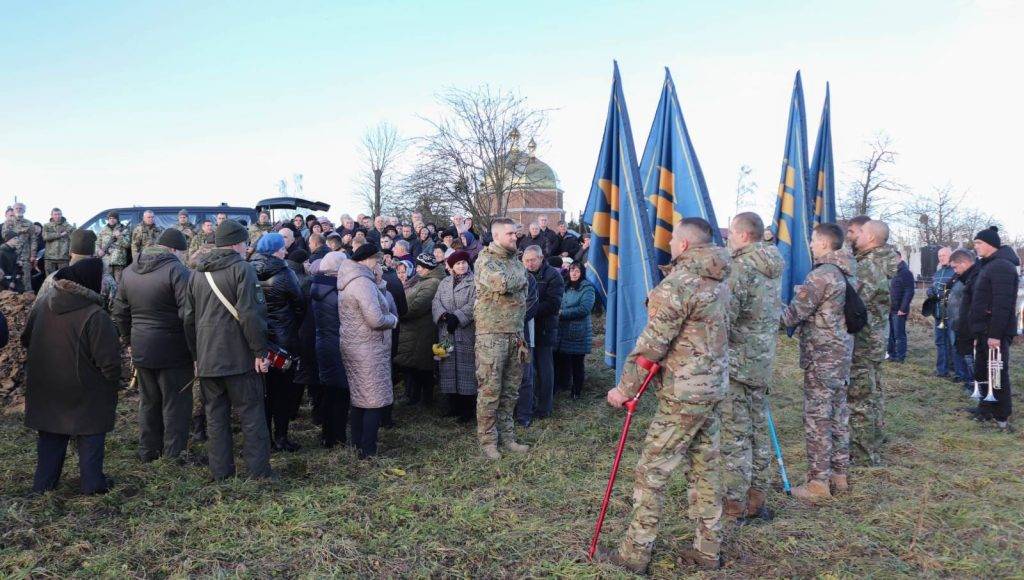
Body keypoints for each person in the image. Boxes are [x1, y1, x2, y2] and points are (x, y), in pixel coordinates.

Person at [598, 217, 729, 573]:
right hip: (713, 387)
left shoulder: (680, 284)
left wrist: (624, 389)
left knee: (651, 471)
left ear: (685, 245)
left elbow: (651, 347)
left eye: (673, 240)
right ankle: (708, 548)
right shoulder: (721, 281)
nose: (669, 245)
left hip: (684, 394)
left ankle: (634, 553)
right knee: (705, 469)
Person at [183, 219, 276, 481]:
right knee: (251, 415)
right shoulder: (242, 270)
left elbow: (188, 319)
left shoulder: (196, 273)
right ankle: (259, 474)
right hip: (240, 358)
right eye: (245, 242)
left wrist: (196, 356)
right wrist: (260, 352)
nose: (247, 247)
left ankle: (221, 473)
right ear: (236, 243)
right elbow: (251, 315)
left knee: (215, 417)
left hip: (208, 358)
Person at [23, 258, 121, 494]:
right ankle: (93, 485)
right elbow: (109, 363)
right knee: (90, 437)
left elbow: (25, 339)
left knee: (50, 437)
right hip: (85, 392)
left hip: (46, 388)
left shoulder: (44, 302)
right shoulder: (96, 315)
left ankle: (44, 486)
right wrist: (113, 382)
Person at [780, 223, 855, 501]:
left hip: (822, 356)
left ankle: (818, 484)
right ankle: (839, 475)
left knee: (817, 419)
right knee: (838, 414)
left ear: (824, 243)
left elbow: (792, 315)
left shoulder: (822, 275)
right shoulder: (848, 272)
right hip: (841, 354)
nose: (810, 244)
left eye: (813, 240)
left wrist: (769, 305)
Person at [720, 213, 783, 521]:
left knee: (735, 435)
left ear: (743, 235)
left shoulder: (740, 268)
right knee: (759, 431)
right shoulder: (773, 265)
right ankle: (758, 498)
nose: (728, 238)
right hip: (761, 361)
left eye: (731, 232)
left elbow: (726, 316)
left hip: (736, 364)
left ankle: (734, 505)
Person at [112, 229, 194, 462]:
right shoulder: (177, 270)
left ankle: (148, 451)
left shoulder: (128, 271)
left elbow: (119, 311)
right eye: (182, 252)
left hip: (141, 346)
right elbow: (188, 314)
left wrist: (128, 340)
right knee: (175, 402)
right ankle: (174, 454)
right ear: (174, 250)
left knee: (148, 401)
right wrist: (194, 348)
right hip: (174, 349)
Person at [474, 218, 531, 460]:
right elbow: (502, 284)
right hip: (491, 336)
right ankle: (488, 440)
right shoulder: (485, 260)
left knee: (510, 391)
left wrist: (518, 282)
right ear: (496, 236)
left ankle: (507, 437)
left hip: (515, 334)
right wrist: (521, 279)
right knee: (490, 390)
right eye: (509, 234)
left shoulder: (515, 261)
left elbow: (523, 290)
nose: (514, 237)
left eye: (515, 234)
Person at [845, 219, 899, 468]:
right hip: (875, 339)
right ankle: (874, 441)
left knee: (861, 398)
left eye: (861, 232)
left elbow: (854, 303)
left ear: (872, 238)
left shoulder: (868, 267)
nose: (856, 235)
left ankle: (864, 455)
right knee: (873, 394)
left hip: (864, 341)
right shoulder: (879, 261)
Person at [337, 243, 399, 458]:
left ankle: (357, 444)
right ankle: (368, 450)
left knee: (360, 397)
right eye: (376, 260)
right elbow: (376, 318)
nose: (378, 264)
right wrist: (393, 320)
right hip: (368, 348)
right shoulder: (362, 283)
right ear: (366, 260)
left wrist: (379, 282)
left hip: (355, 345)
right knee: (373, 400)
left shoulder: (350, 280)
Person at [251, 233, 305, 452]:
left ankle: (264, 439)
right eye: (283, 248)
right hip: (283, 340)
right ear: (275, 251)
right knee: (283, 392)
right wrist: (289, 326)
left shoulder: (246, 270)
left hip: (257, 338)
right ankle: (281, 438)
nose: (285, 251)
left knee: (261, 391)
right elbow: (300, 305)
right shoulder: (285, 273)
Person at [964, 226, 1017, 430]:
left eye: (978, 243)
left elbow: (1001, 305)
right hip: (984, 330)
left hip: (994, 331)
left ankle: (1002, 416)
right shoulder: (988, 265)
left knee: (997, 372)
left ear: (990, 244)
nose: (975, 247)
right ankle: (986, 408)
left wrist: (995, 335)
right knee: (983, 370)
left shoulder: (1002, 266)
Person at [310, 251, 351, 447]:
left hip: (322, 344)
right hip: (337, 345)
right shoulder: (337, 292)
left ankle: (328, 434)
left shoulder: (316, 287)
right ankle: (337, 437)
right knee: (341, 393)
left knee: (328, 391)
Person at [432, 250, 478, 422]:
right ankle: (453, 407)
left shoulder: (474, 282)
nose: (461, 265)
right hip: (446, 332)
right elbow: (436, 301)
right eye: (458, 263)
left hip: (465, 331)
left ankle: (467, 411)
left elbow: (475, 301)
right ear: (451, 266)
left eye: (464, 262)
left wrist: (457, 316)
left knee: (466, 371)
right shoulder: (444, 282)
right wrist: (443, 315)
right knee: (448, 368)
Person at [396, 254, 445, 406]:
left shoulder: (432, 283)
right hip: (415, 329)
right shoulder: (423, 280)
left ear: (427, 268)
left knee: (423, 367)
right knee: (415, 366)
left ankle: (425, 400)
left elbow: (417, 306)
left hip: (423, 330)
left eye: (419, 267)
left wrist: (400, 314)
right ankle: (415, 397)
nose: (416, 269)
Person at [523, 245, 563, 419]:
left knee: (545, 368)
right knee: (527, 368)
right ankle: (528, 403)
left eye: (532, 260)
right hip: (525, 328)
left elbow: (553, 304)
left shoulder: (553, 276)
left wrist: (528, 311)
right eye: (526, 260)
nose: (529, 264)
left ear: (541, 258)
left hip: (544, 328)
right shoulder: (521, 275)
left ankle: (544, 407)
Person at [554, 262, 595, 399]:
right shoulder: (565, 286)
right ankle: (562, 385)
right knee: (561, 359)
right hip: (562, 330)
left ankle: (576, 391)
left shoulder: (587, 288)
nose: (574, 273)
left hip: (579, 332)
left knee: (577, 362)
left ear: (582, 272)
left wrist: (562, 313)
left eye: (577, 271)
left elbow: (585, 309)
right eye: (572, 270)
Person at [949, 249, 978, 395]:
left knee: (970, 357)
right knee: (964, 354)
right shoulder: (962, 277)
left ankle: (974, 383)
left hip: (969, 324)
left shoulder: (975, 277)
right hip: (959, 321)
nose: (954, 270)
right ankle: (968, 380)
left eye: (955, 267)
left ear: (964, 263)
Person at [929, 247, 955, 377]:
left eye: (944, 255)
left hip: (952, 313)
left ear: (951, 256)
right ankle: (941, 370)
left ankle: (955, 369)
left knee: (952, 342)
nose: (941, 257)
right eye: (940, 256)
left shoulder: (956, 272)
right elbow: (931, 287)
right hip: (939, 313)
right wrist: (931, 292)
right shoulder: (938, 273)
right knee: (940, 342)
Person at [3, 202, 37, 293]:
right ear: (13, 210)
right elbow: (5, 236)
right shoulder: (8, 222)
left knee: (26, 279)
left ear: (24, 210)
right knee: (11, 278)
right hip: (11, 256)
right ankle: (12, 301)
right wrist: (21, 231)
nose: (19, 210)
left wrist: (33, 255)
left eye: (21, 208)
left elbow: (33, 240)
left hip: (25, 256)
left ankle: (28, 301)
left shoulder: (29, 223)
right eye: (17, 208)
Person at [887, 251, 915, 363]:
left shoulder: (905, 272)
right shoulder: (891, 272)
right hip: (890, 308)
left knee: (899, 334)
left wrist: (903, 309)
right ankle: (891, 354)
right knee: (891, 334)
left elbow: (909, 291)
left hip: (899, 309)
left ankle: (900, 356)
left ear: (899, 258)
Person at [42, 207, 74, 275]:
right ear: (51, 215)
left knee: (64, 277)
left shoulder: (68, 226)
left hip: (63, 256)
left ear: (61, 215)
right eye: (55, 214)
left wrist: (71, 252)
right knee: (49, 278)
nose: (57, 216)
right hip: (50, 257)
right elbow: (45, 237)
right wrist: (60, 234)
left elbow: (73, 238)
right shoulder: (47, 226)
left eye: (59, 214)